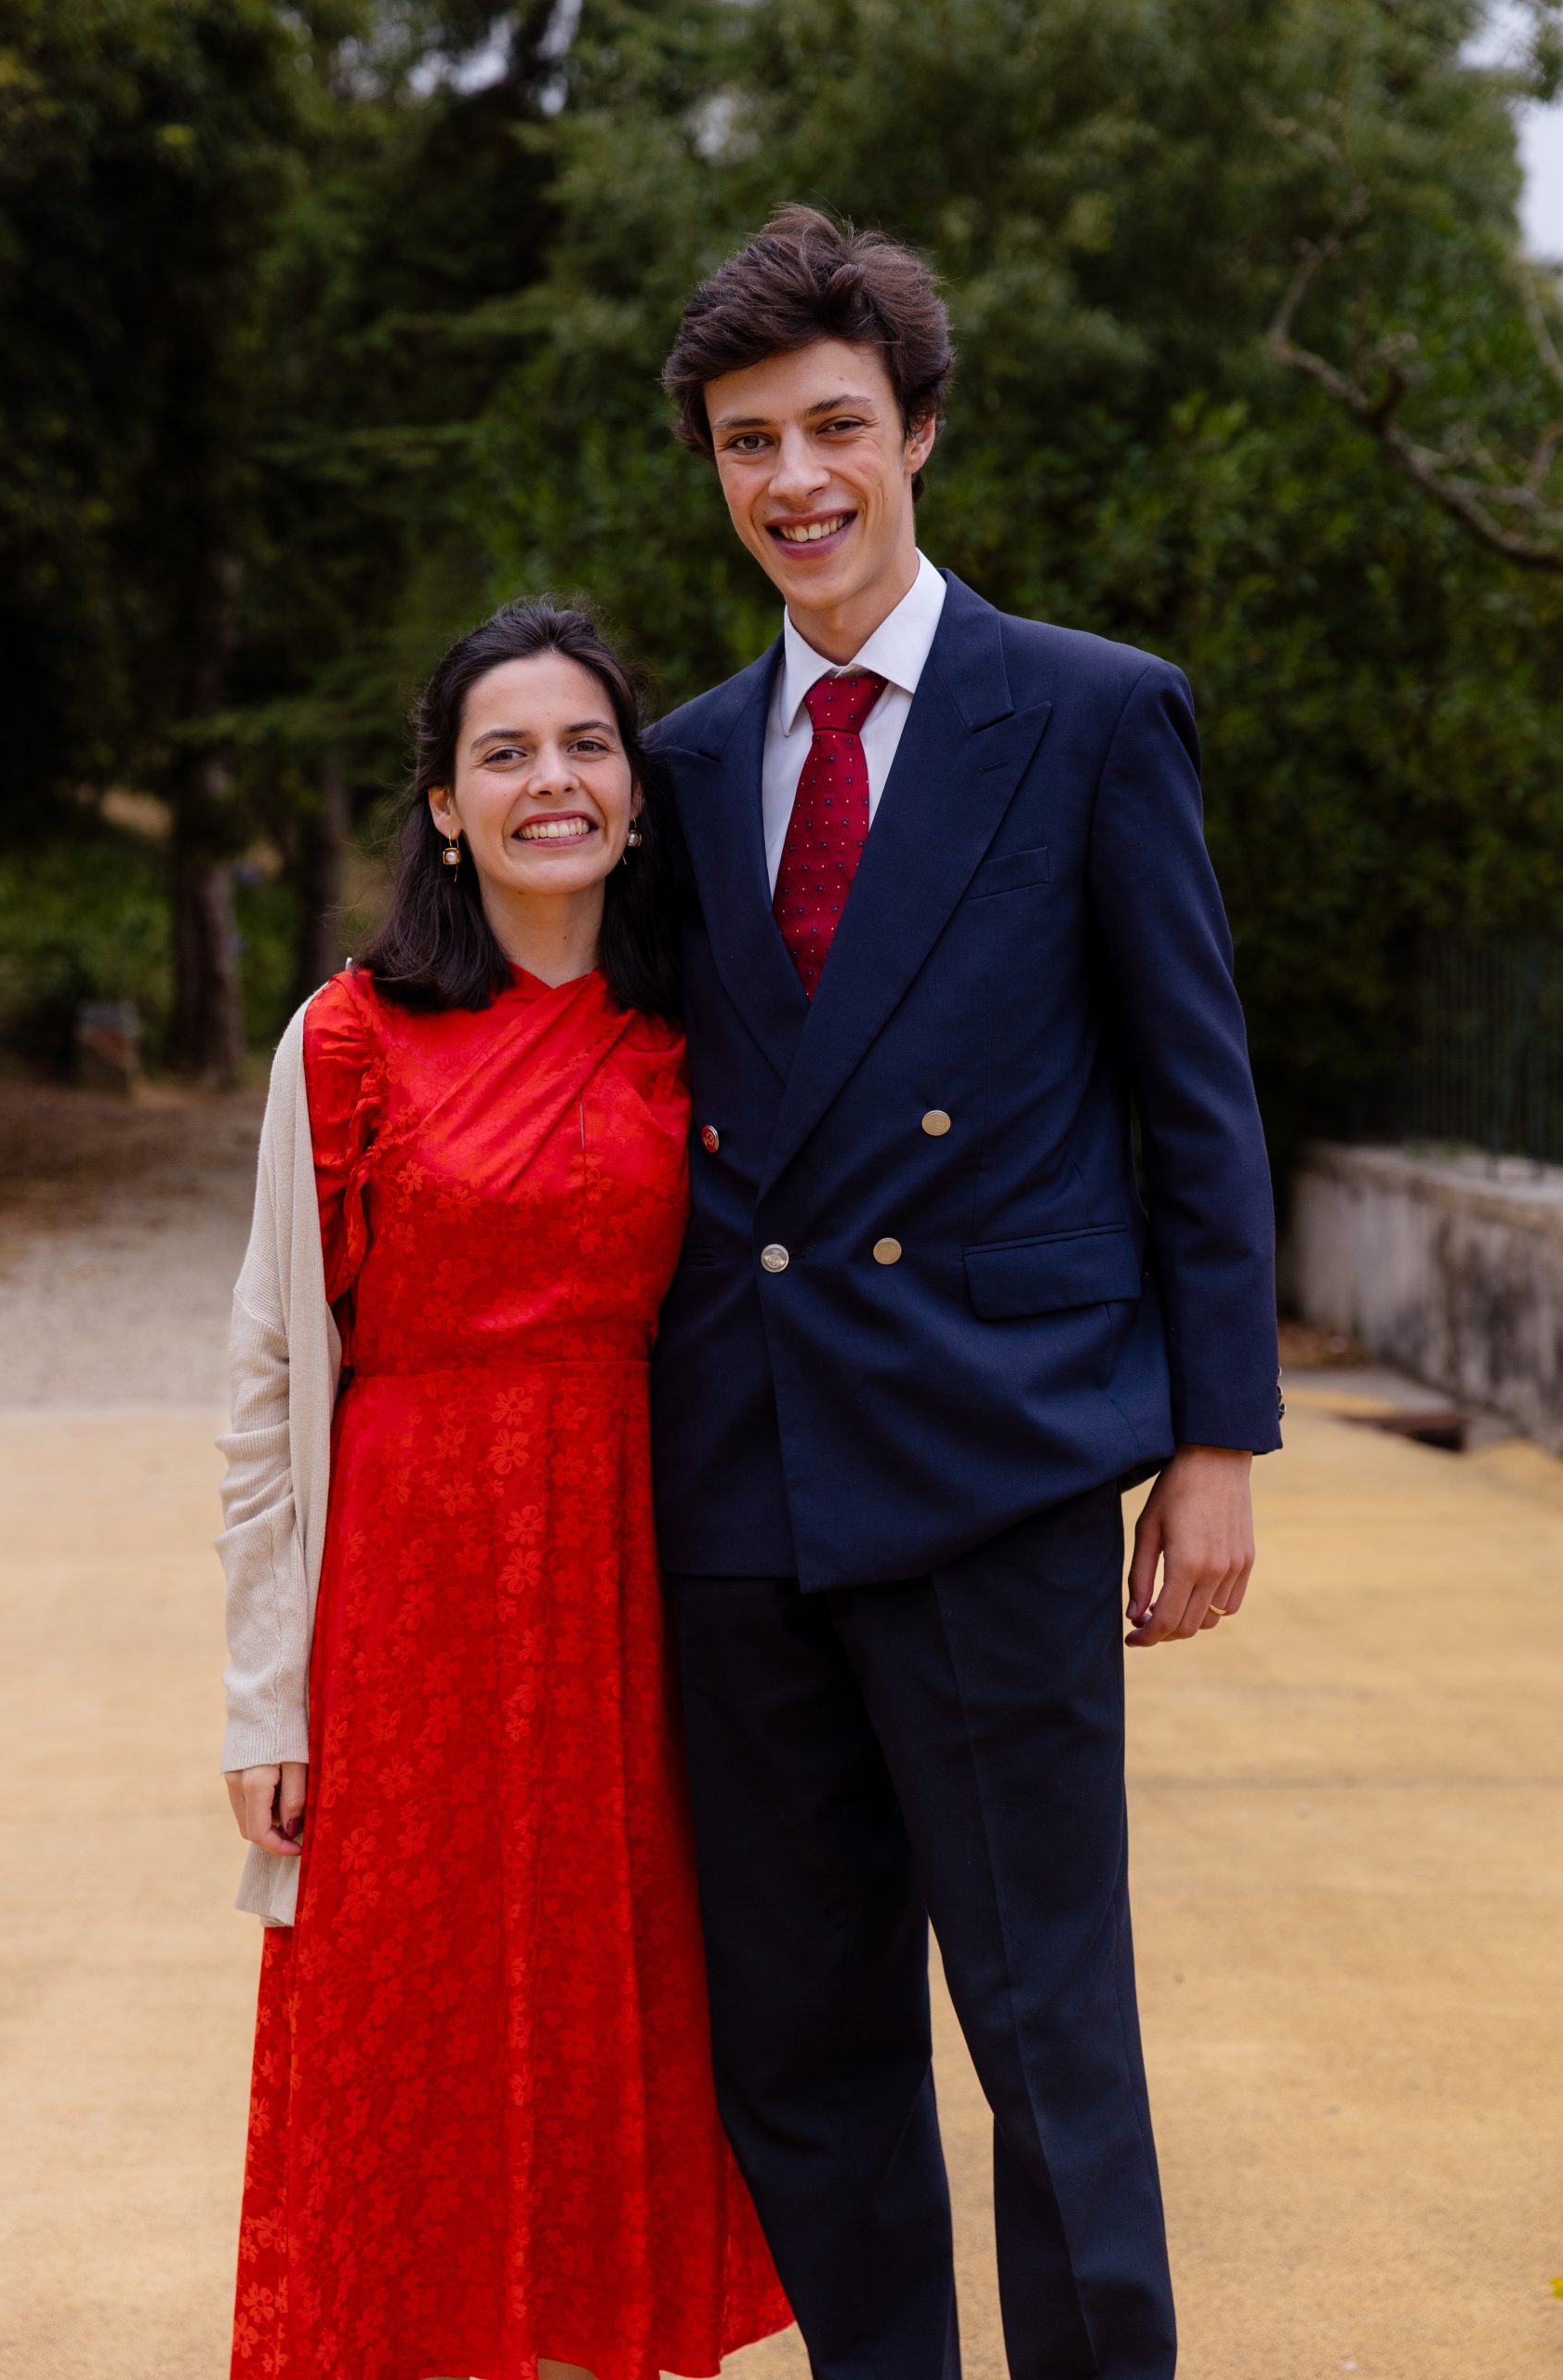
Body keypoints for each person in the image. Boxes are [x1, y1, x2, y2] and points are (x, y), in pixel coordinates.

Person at [650, 206, 1283, 2380]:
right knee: (800, 2039)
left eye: (833, 425)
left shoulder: (1090, 714)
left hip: (995, 1462)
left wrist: (1212, 1440)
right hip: (739, 1477)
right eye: (747, 441)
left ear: (915, 430)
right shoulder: (675, 766)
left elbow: (1196, 1105)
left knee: (1045, 2026)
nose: (793, 478)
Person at [216, 601, 789, 2380]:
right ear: (446, 807)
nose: (554, 781)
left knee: (620, 1992)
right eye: (507, 753)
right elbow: (266, 1381)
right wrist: (264, 1698)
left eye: (587, 745)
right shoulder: (348, 1038)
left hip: (634, 1581)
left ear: (638, 789)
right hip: (408, 1593)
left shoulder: (700, 1031)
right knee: (409, 2015)